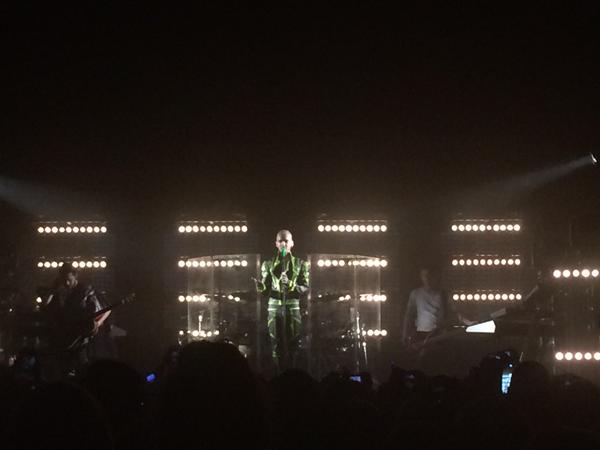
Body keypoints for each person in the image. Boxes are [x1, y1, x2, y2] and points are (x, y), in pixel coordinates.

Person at [255, 230, 310, 371]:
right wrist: (261, 287)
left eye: (286, 241)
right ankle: (279, 373)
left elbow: (305, 287)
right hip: (274, 306)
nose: (283, 244)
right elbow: (266, 290)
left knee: (294, 341)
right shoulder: (268, 264)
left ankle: (292, 372)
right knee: (275, 342)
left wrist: (291, 284)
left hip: (292, 305)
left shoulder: (301, 264)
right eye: (280, 241)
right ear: (276, 244)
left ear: (292, 243)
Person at [44, 263, 103, 378]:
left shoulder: (85, 290)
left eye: (69, 280)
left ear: (75, 276)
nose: (66, 283)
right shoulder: (59, 291)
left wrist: (93, 325)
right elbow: (46, 305)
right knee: (63, 369)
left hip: (80, 336)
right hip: (63, 336)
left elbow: (97, 311)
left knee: (82, 366)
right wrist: (52, 290)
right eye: (63, 280)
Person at [402, 268, 449, 346]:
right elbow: (409, 315)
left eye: (429, 276)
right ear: (421, 277)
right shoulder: (416, 293)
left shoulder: (442, 294)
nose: (427, 279)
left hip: (437, 333)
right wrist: (405, 334)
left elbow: (447, 313)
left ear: (434, 277)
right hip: (421, 333)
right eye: (424, 276)